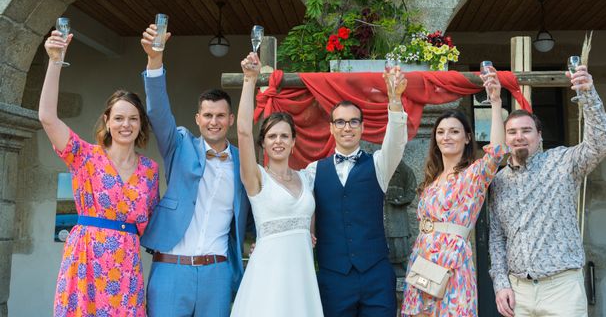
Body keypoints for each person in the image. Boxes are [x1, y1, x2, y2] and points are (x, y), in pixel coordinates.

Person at [39, 30, 159, 316]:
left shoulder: (149, 171)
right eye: (118, 118)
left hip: (126, 266)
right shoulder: (85, 156)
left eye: (133, 119)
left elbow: (153, 224)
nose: (125, 125)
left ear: (141, 124)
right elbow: (47, 117)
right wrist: (55, 61)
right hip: (85, 259)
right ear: (107, 120)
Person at [140, 24, 251, 317]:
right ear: (198, 119)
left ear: (230, 119)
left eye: (220, 116)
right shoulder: (179, 145)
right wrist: (154, 61)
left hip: (217, 272)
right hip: (170, 269)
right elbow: (158, 113)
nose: (214, 121)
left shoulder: (244, 161)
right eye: (208, 115)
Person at [489, 65, 606, 317]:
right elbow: (497, 237)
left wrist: (588, 95)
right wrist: (501, 284)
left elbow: (599, 145)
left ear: (539, 136)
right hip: (518, 291)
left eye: (526, 130)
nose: (518, 137)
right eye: (511, 132)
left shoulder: (563, 162)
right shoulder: (499, 181)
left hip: (562, 289)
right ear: (506, 138)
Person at [401, 67, 507, 317]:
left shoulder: (473, 175)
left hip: (453, 263)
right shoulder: (431, 180)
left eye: (454, 131)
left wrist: (495, 102)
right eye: (441, 132)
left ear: (468, 138)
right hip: (423, 261)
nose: (446, 137)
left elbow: (499, 151)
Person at [307, 66, 408, 317]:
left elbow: (396, 142)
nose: (347, 127)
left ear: (362, 127)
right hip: (333, 277)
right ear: (331, 128)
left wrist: (395, 100)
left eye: (353, 121)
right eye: (340, 122)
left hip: (376, 275)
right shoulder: (312, 171)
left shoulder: (378, 165)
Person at [230, 52, 323, 316]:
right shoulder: (256, 177)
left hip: (302, 274)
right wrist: (250, 80)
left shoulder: (307, 177)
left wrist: (310, 232)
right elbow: (244, 130)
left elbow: (308, 216)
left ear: (294, 142)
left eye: (284, 136)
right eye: (271, 136)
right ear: (264, 143)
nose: (278, 141)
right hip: (268, 276)